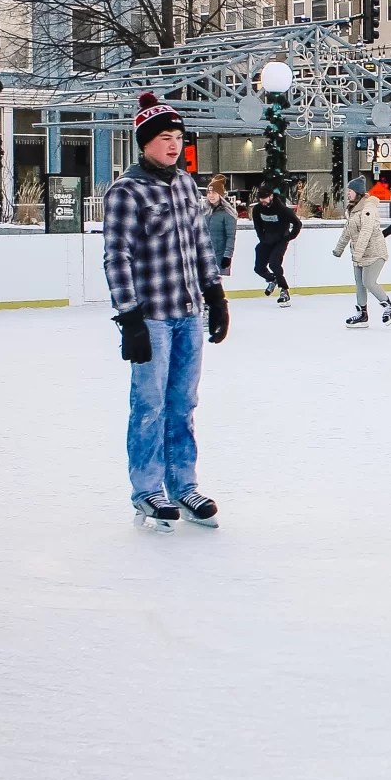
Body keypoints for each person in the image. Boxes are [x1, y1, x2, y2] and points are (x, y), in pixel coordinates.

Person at [102, 92, 229, 531]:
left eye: (178, 137)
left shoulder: (185, 185)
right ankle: (147, 489)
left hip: (189, 313)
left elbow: (200, 246)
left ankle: (183, 484)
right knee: (150, 405)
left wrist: (216, 297)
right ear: (144, 142)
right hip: (151, 318)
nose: (173, 145)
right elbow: (116, 256)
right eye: (164, 138)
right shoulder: (125, 191)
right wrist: (129, 317)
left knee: (183, 404)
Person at [332, 174, 391, 327]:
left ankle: (389, 307)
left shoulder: (368, 209)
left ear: (358, 192)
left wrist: (357, 254)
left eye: (350, 190)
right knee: (360, 284)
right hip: (359, 254)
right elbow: (347, 231)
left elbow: (366, 232)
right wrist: (338, 249)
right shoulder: (352, 210)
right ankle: (362, 314)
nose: (348, 193)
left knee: (368, 281)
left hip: (375, 252)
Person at [250, 184, 300, 305]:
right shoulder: (257, 209)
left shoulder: (282, 210)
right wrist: (262, 237)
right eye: (260, 198)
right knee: (258, 268)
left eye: (265, 197)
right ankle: (273, 279)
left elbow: (297, 224)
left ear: (271, 196)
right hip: (266, 240)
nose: (262, 200)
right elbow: (257, 225)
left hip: (280, 241)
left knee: (274, 263)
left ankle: (284, 290)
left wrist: (288, 237)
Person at [203, 175, 237, 278]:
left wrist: (227, 256)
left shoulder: (227, 213)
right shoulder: (205, 211)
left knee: (219, 289)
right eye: (209, 193)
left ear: (220, 194)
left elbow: (231, 237)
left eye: (214, 193)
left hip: (220, 256)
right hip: (205, 255)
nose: (211, 196)